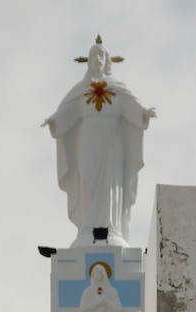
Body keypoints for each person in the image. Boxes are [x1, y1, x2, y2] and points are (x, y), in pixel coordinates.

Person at [42, 37, 156, 246]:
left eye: (101, 55)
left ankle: (111, 228)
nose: (97, 59)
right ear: (88, 60)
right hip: (87, 140)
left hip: (112, 141)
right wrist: (54, 121)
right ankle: (88, 228)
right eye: (94, 56)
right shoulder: (81, 90)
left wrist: (143, 114)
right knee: (88, 179)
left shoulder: (118, 88)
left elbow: (132, 106)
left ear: (107, 59)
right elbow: (68, 111)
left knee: (111, 183)